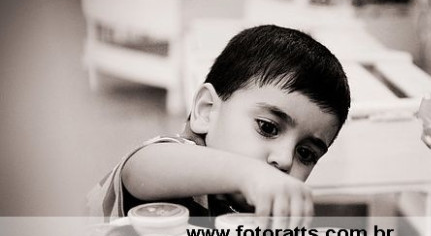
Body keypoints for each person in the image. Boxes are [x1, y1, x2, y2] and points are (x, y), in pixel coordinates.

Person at [88, 25, 351, 224]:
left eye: (305, 153)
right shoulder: (174, 159)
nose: (284, 160)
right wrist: (249, 173)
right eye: (268, 128)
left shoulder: (256, 209)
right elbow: (141, 169)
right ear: (206, 111)